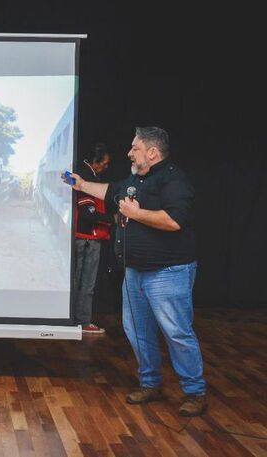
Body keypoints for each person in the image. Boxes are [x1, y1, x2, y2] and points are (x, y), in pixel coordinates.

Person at [63, 126, 207, 417]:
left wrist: (135, 214)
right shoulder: (135, 179)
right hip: (135, 273)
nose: (129, 152)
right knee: (137, 331)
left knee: (176, 332)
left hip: (168, 273)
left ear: (152, 152)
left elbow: (174, 221)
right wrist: (81, 184)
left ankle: (195, 392)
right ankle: (150, 384)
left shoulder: (174, 181)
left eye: (135, 148)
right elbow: (111, 191)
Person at [72, 142, 112, 334]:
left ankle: (75, 320)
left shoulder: (86, 175)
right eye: (104, 163)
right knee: (86, 283)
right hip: (87, 238)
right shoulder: (87, 179)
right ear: (94, 162)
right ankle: (83, 322)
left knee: (78, 281)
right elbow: (88, 213)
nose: (106, 167)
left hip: (83, 237)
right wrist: (111, 219)